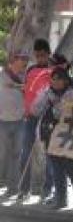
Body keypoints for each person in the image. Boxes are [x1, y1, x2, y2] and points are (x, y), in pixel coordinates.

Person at [33, 67, 73, 210]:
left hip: (67, 136)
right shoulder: (47, 93)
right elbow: (35, 109)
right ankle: (61, 198)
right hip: (50, 136)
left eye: (58, 79)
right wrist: (45, 99)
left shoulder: (72, 94)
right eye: (53, 79)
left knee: (70, 168)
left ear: (65, 80)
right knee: (56, 169)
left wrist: (58, 105)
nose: (55, 82)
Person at [17, 38, 53, 202]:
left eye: (43, 55)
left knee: (50, 154)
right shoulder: (30, 70)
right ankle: (24, 189)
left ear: (48, 54)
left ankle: (48, 189)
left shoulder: (54, 70)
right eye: (37, 55)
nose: (40, 58)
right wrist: (27, 109)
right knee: (25, 153)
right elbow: (26, 92)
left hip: (48, 118)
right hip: (30, 117)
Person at [0, 53, 28, 197]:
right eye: (21, 60)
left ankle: (13, 187)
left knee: (16, 155)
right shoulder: (1, 75)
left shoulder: (25, 77)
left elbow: (29, 91)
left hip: (19, 122)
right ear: (12, 62)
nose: (23, 62)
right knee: (2, 154)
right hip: (2, 122)